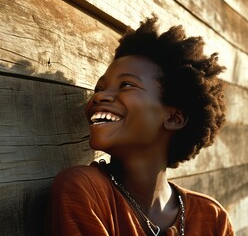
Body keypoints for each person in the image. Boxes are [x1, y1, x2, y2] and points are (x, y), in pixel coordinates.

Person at [50, 16, 234, 236]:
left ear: (174, 118)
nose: (99, 97)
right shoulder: (85, 190)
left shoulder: (212, 217)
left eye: (126, 85)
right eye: (100, 88)